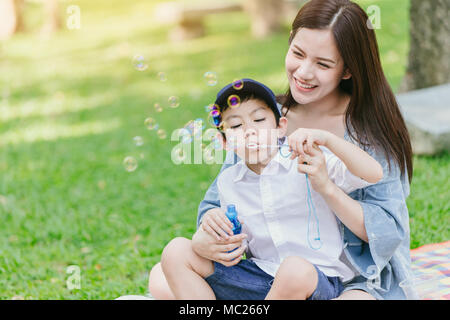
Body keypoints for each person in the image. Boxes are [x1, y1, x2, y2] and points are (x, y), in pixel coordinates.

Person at [149, 0, 414, 300]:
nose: (303, 71)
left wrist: (327, 188)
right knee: (163, 273)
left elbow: (387, 232)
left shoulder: (367, 133)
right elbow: (221, 202)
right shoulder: (263, 117)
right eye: (298, 53)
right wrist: (206, 240)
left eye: (323, 64)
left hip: (351, 279)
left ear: (348, 70)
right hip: (273, 275)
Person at [159, 79, 384, 300]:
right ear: (225, 142)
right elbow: (241, 244)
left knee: (294, 269)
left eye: (258, 119)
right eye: (236, 126)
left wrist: (326, 139)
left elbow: (372, 173)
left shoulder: (307, 160)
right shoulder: (229, 182)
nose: (249, 131)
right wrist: (220, 235)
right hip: (260, 278)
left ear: (280, 128)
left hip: (315, 280)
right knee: (176, 251)